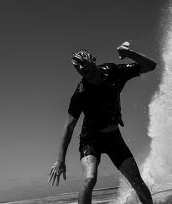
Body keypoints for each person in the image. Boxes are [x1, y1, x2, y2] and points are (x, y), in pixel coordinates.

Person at [49, 41, 156, 204]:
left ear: (93, 60)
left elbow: (151, 66)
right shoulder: (80, 94)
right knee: (89, 179)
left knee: (137, 182)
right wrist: (60, 160)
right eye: (79, 70)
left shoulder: (114, 72)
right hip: (90, 139)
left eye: (86, 67)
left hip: (114, 137)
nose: (83, 71)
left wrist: (129, 54)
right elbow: (69, 126)